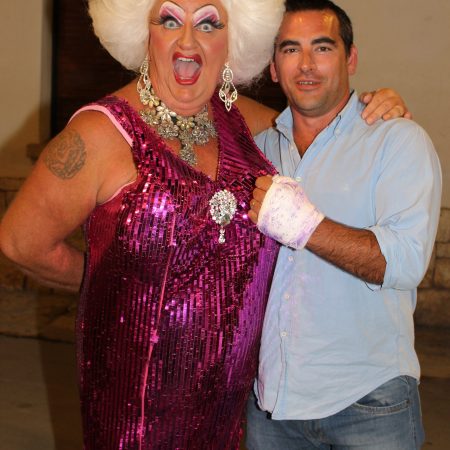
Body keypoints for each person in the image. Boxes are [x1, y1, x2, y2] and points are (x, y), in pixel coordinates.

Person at [0, 0, 409, 448]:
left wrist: (374, 110)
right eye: (169, 20)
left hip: (230, 407)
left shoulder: (246, 122)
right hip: (138, 410)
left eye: (209, 24)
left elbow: (325, 123)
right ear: (143, 33)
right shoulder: (101, 134)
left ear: (234, 41)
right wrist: (113, 285)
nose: (188, 40)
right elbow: (22, 242)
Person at [247, 1, 442, 449]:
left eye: (323, 47)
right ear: (273, 67)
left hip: (369, 403)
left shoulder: (396, 140)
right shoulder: (258, 152)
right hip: (272, 404)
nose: (306, 64)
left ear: (350, 58)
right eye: (290, 49)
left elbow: (406, 261)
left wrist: (305, 225)